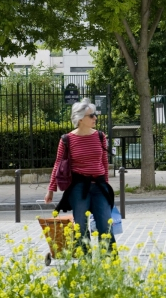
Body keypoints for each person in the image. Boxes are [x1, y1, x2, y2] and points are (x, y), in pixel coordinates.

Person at [45, 98, 115, 251]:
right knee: (81, 226)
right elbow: (58, 164)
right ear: (80, 119)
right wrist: (51, 189)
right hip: (78, 188)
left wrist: (106, 186)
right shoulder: (67, 140)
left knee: (105, 223)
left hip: (100, 186)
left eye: (95, 115)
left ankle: (109, 262)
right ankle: (86, 264)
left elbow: (104, 163)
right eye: (91, 116)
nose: (95, 118)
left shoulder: (100, 137)